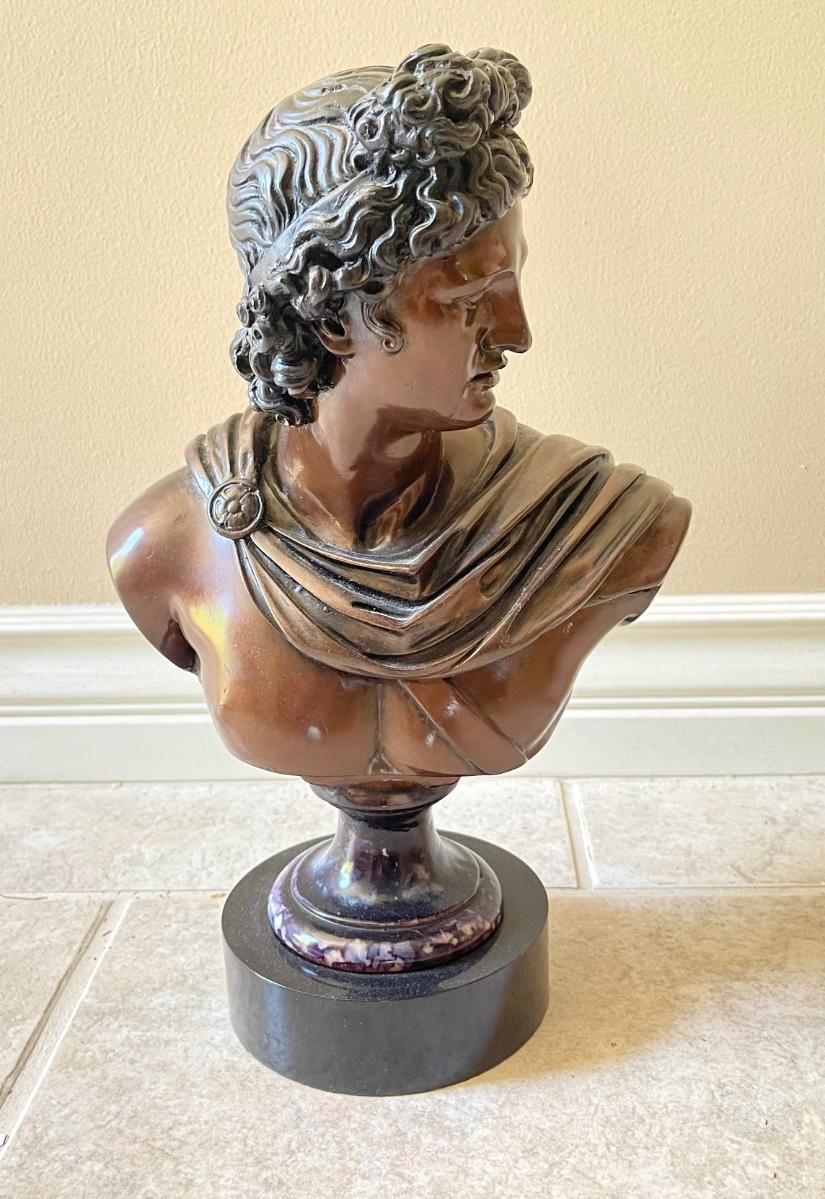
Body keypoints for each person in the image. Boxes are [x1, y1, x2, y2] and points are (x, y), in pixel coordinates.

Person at [107, 44, 691, 785]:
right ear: (332, 320)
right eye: (467, 300)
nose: (517, 334)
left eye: (512, 284)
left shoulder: (601, 524)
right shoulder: (167, 546)